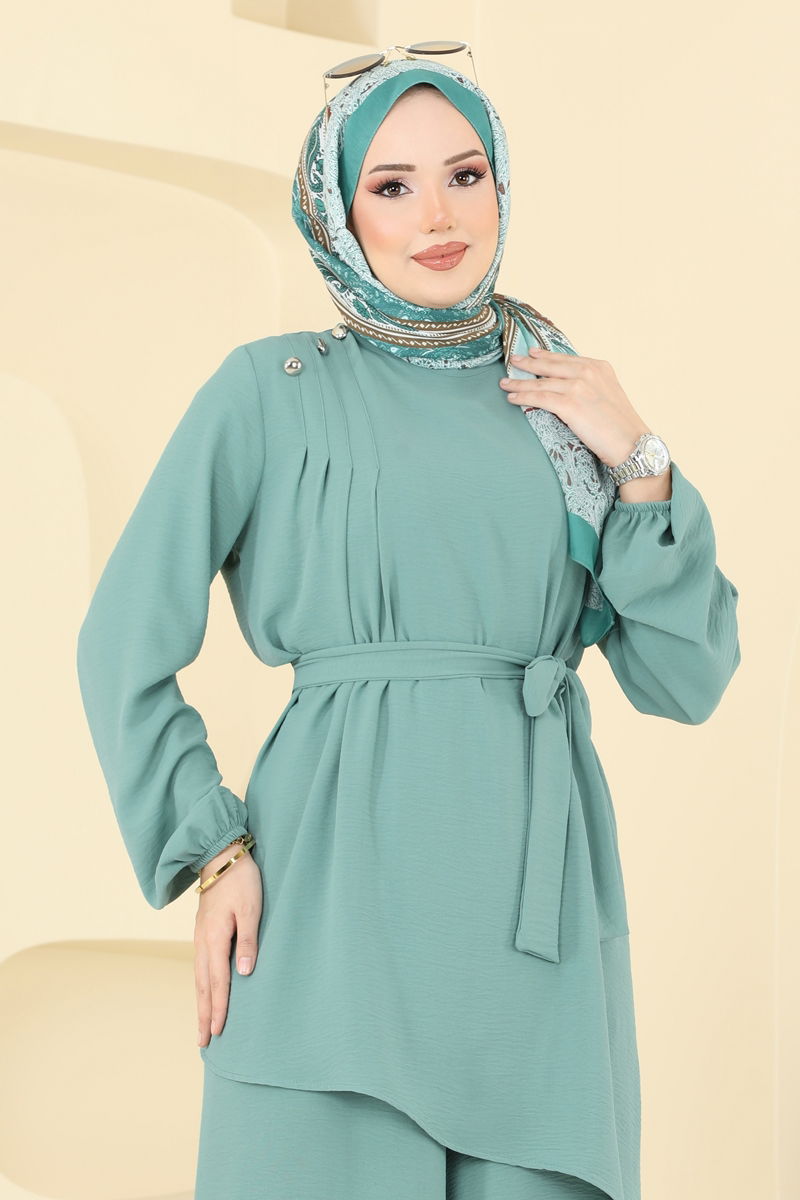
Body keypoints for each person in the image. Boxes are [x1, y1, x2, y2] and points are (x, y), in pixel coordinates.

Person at [76, 49, 742, 1200]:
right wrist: (209, 846)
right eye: (390, 185)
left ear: (500, 187)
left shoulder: (560, 403)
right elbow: (120, 639)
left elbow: (686, 679)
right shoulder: (270, 389)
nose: (437, 216)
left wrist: (638, 460)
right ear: (338, 213)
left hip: (532, 936)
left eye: (463, 175)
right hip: (326, 912)